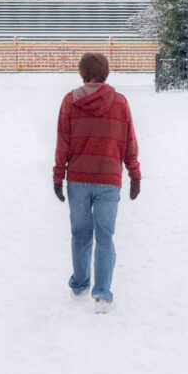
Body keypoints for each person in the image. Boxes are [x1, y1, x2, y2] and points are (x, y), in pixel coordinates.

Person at [53, 52, 141, 311]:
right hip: (109, 180)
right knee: (105, 236)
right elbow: (129, 143)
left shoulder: (70, 102)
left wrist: (58, 176)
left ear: (82, 73)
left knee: (80, 234)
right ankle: (101, 294)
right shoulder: (121, 103)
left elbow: (62, 144)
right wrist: (134, 174)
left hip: (78, 179)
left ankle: (80, 284)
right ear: (106, 73)